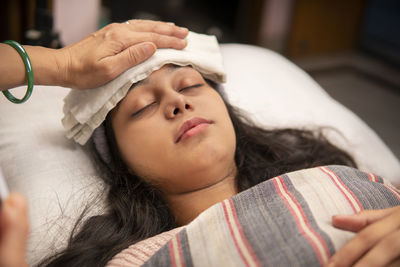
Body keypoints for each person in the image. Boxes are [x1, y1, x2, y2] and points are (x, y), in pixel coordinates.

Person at [0, 20, 399, 267]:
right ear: (119, 161)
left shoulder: (338, 179)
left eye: (190, 85)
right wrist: (59, 64)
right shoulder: (137, 261)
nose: (177, 101)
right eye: (142, 108)